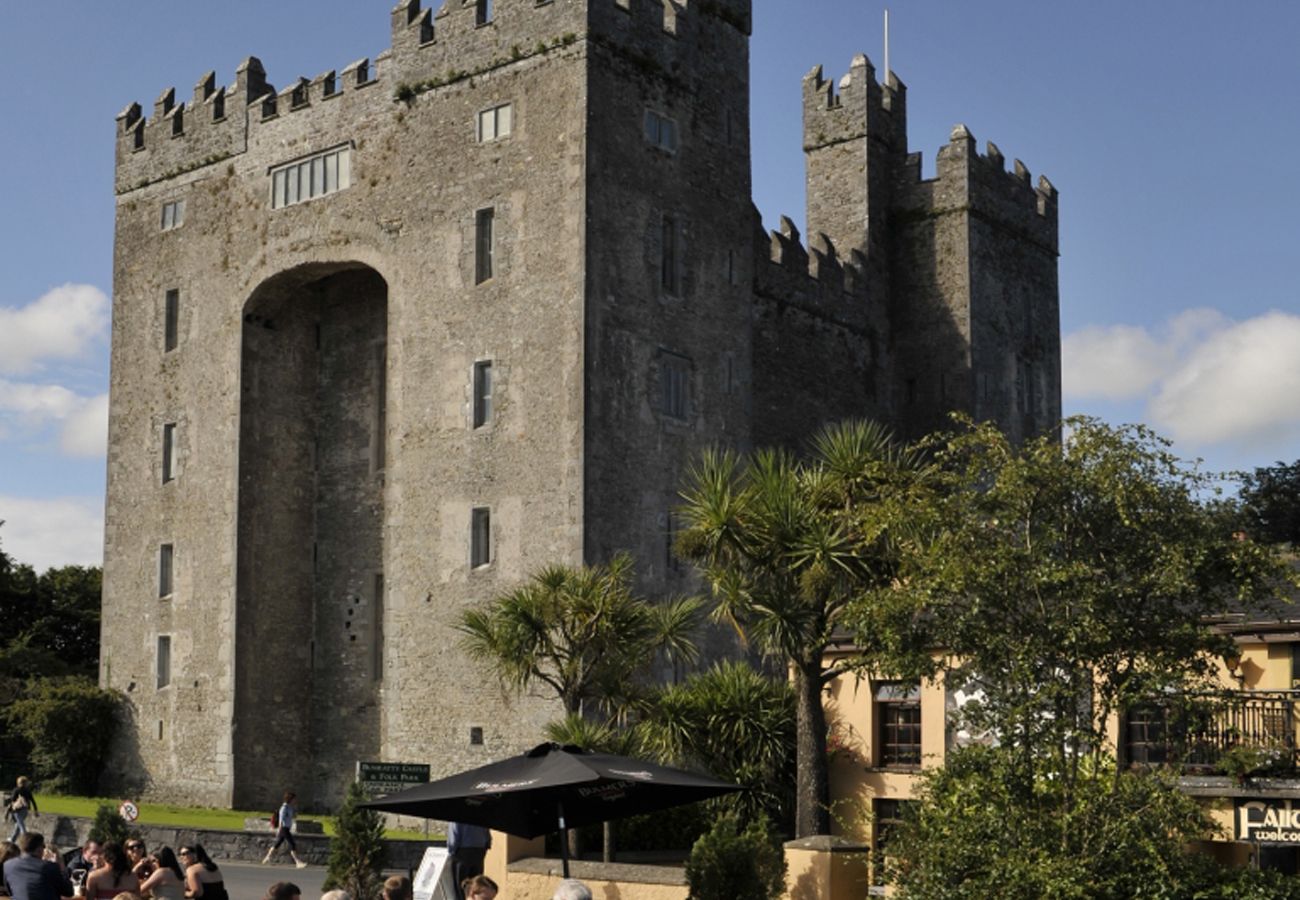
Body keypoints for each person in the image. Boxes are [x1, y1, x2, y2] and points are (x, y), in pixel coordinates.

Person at [2, 833, 72, 900]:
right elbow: (69, 892)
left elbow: (10, 891)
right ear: (39, 848)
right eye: (43, 846)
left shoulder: (8, 865)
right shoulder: (50, 867)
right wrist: (62, 868)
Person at [261, 793, 307, 869]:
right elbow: (281, 820)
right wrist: (279, 830)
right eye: (294, 799)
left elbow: (292, 816)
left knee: (278, 843)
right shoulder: (284, 808)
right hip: (284, 828)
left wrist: (295, 814)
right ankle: (297, 862)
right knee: (292, 844)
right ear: (290, 799)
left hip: (287, 828)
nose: (295, 801)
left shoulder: (290, 807)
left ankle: (267, 857)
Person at [445, 822, 490, 899]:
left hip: (462, 852)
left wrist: (451, 851)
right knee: (476, 887)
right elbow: (487, 833)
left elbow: (454, 834)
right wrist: (486, 846)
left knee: (461, 888)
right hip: (479, 850)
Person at [5, 779, 37, 844]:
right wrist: (35, 811)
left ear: (18, 782)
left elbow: (12, 801)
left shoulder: (16, 790)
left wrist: (7, 812)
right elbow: (33, 801)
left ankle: (25, 838)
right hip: (25, 810)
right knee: (18, 826)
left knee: (21, 826)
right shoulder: (28, 791)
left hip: (17, 810)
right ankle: (12, 840)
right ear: (25, 783)